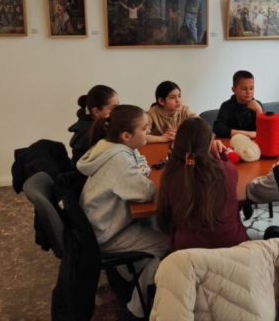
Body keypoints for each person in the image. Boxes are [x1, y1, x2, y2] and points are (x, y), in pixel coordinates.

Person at [77, 105, 168, 321]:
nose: (148, 132)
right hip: (108, 233)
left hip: (100, 223)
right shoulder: (118, 160)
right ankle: (135, 309)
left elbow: (139, 159)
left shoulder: (109, 145)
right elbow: (147, 192)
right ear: (127, 136)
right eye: (144, 128)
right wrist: (143, 174)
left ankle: (132, 275)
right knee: (170, 247)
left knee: (153, 222)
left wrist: (141, 171)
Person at [156, 118, 249, 251]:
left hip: (188, 252)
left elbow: (165, 221)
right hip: (232, 246)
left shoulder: (169, 175)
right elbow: (223, 165)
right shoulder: (227, 170)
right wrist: (221, 155)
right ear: (209, 143)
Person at [68, 85, 119, 166]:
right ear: (96, 111)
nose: (118, 111)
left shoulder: (83, 125)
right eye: (113, 108)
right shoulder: (95, 132)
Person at [213, 70, 263, 139]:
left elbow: (264, 131)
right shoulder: (227, 106)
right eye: (244, 88)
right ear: (234, 90)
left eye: (251, 88)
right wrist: (249, 134)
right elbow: (218, 129)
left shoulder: (258, 105)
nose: (248, 92)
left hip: (253, 143)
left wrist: (258, 110)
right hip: (232, 142)